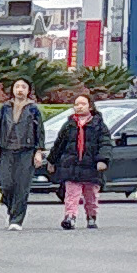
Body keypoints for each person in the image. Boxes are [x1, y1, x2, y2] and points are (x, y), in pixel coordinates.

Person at [48, 88, 109, 229]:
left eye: (83, 104)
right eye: (76, 104)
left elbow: (105, 144)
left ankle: (91, 216)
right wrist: (52, 160)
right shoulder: (69, 125)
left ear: (90, 106)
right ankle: (70, 217)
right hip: (71, 167)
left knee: (91, 196)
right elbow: (59, 144)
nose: (79, 106)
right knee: (71, 194)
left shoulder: (99, 125)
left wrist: (103, 160)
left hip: (91, 167)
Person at [0, 76, 47, 226]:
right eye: (17, 86)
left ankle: (16, 220)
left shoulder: (33, 109)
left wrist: (39, 151)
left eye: (23, 87)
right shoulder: (5, 107)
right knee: (5, 184)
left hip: (26, 151)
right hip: (6, 150)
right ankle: (12, 209)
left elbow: (39, 131)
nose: (20, 90)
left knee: (22, 186)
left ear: (28, 90)